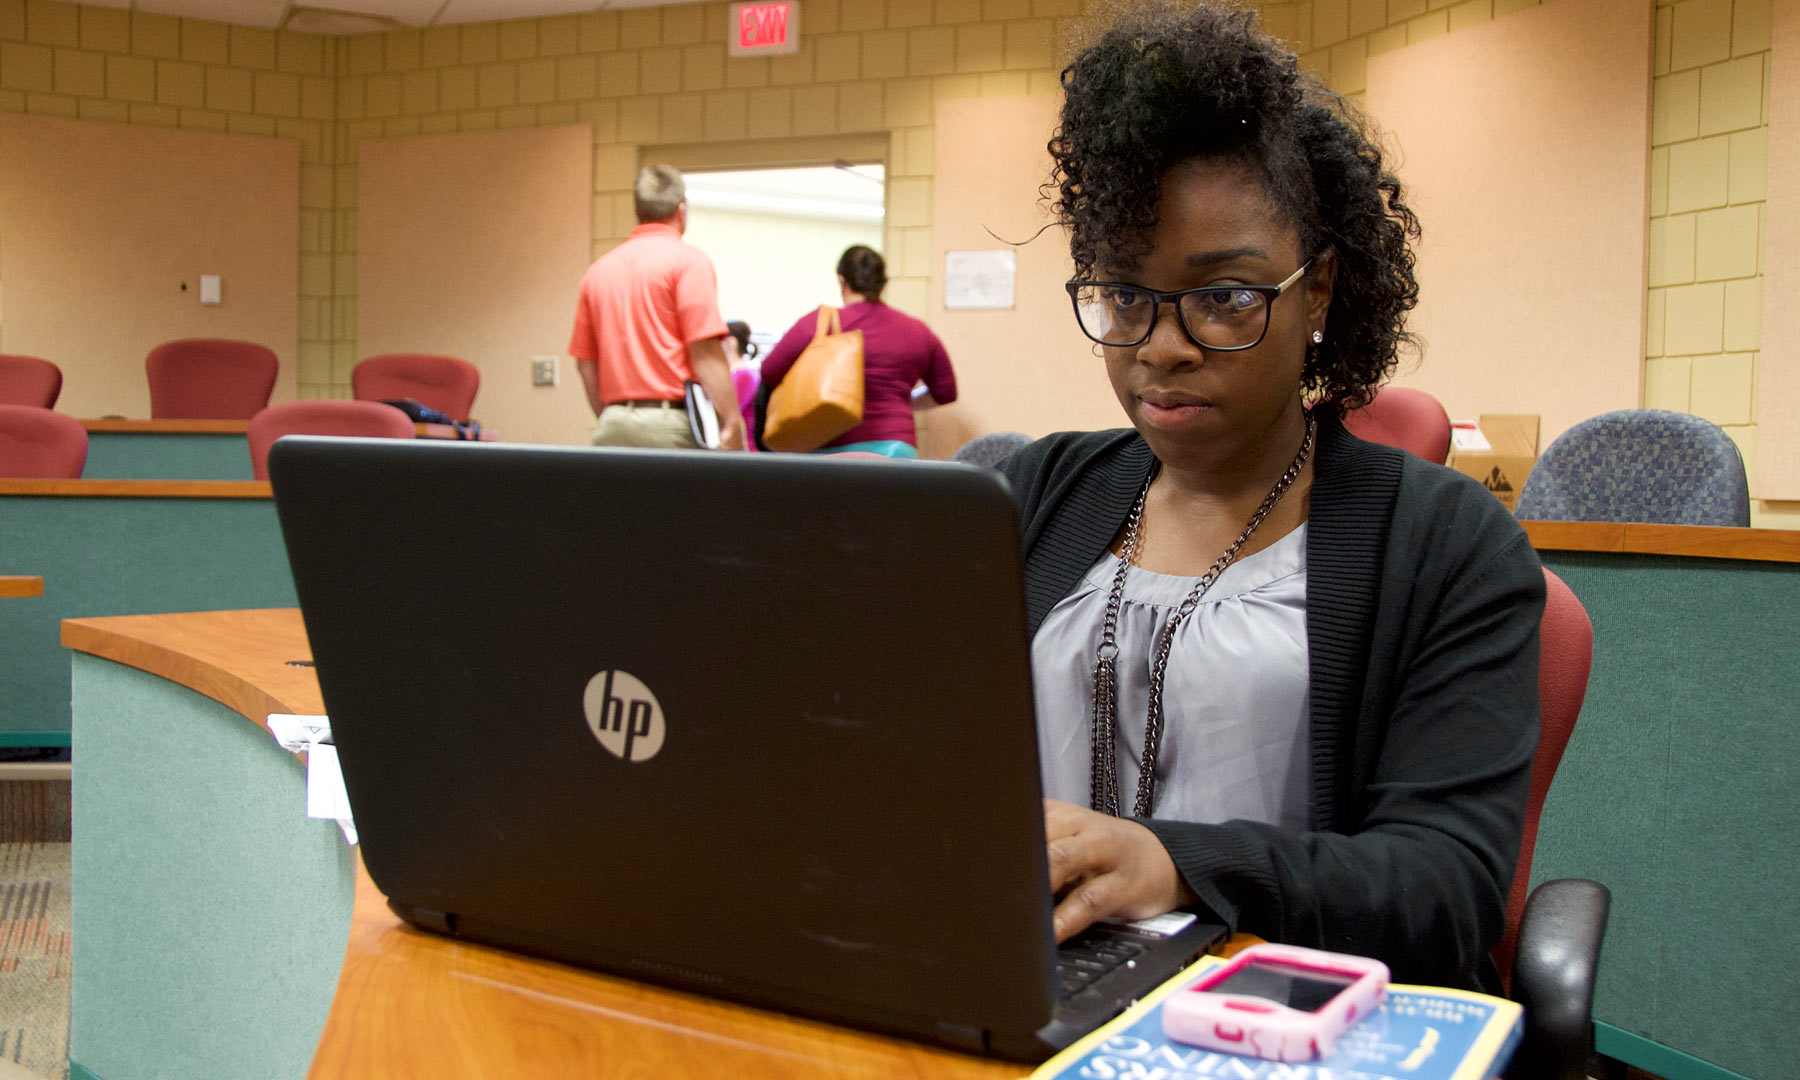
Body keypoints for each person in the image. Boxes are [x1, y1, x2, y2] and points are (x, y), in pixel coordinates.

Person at [998, 2, 1543, 994]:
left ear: (1320, 291)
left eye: (1225, 298)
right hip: (1030, 988)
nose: (1163, 344)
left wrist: (1173, 864)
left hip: (1287, 1012)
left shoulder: (1447, 544)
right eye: (1124, 295)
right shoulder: (1033, 494)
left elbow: (1448, 888)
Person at [568, 165, 743, 450]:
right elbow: (704, 351)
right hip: (669, 426)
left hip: (612, 426)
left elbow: (585, 363)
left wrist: (612, 415)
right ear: (681, 211)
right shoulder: (688, 262)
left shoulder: (597, 272)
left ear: (639, 212)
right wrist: (732, 421)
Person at [758, 246, 957, 457]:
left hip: (828, 445)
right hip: (896, 447)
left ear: (842, 281)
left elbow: (769, 371)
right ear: (882, 284)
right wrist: (902, 400)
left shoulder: (819, 324)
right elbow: (946, 391)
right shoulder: (918, 331)